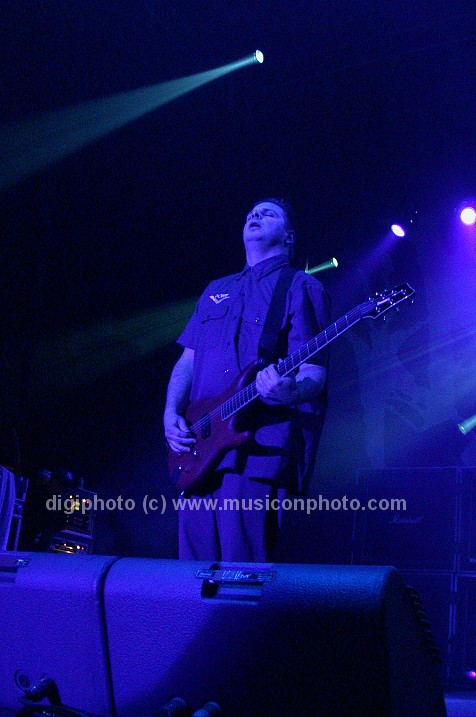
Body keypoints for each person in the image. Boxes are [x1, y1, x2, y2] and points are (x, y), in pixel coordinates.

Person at [164, 198, 331, 562]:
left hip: (256, 451)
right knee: (190, 575)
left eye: (267, 213)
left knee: (242, 574)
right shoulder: (216, 289)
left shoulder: (301, 287)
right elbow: (188, 359)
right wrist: (170, 412)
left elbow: (314, 372)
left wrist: (290, 390)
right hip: (198, 447)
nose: (254, 215)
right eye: (251, 213)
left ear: (289, 237)